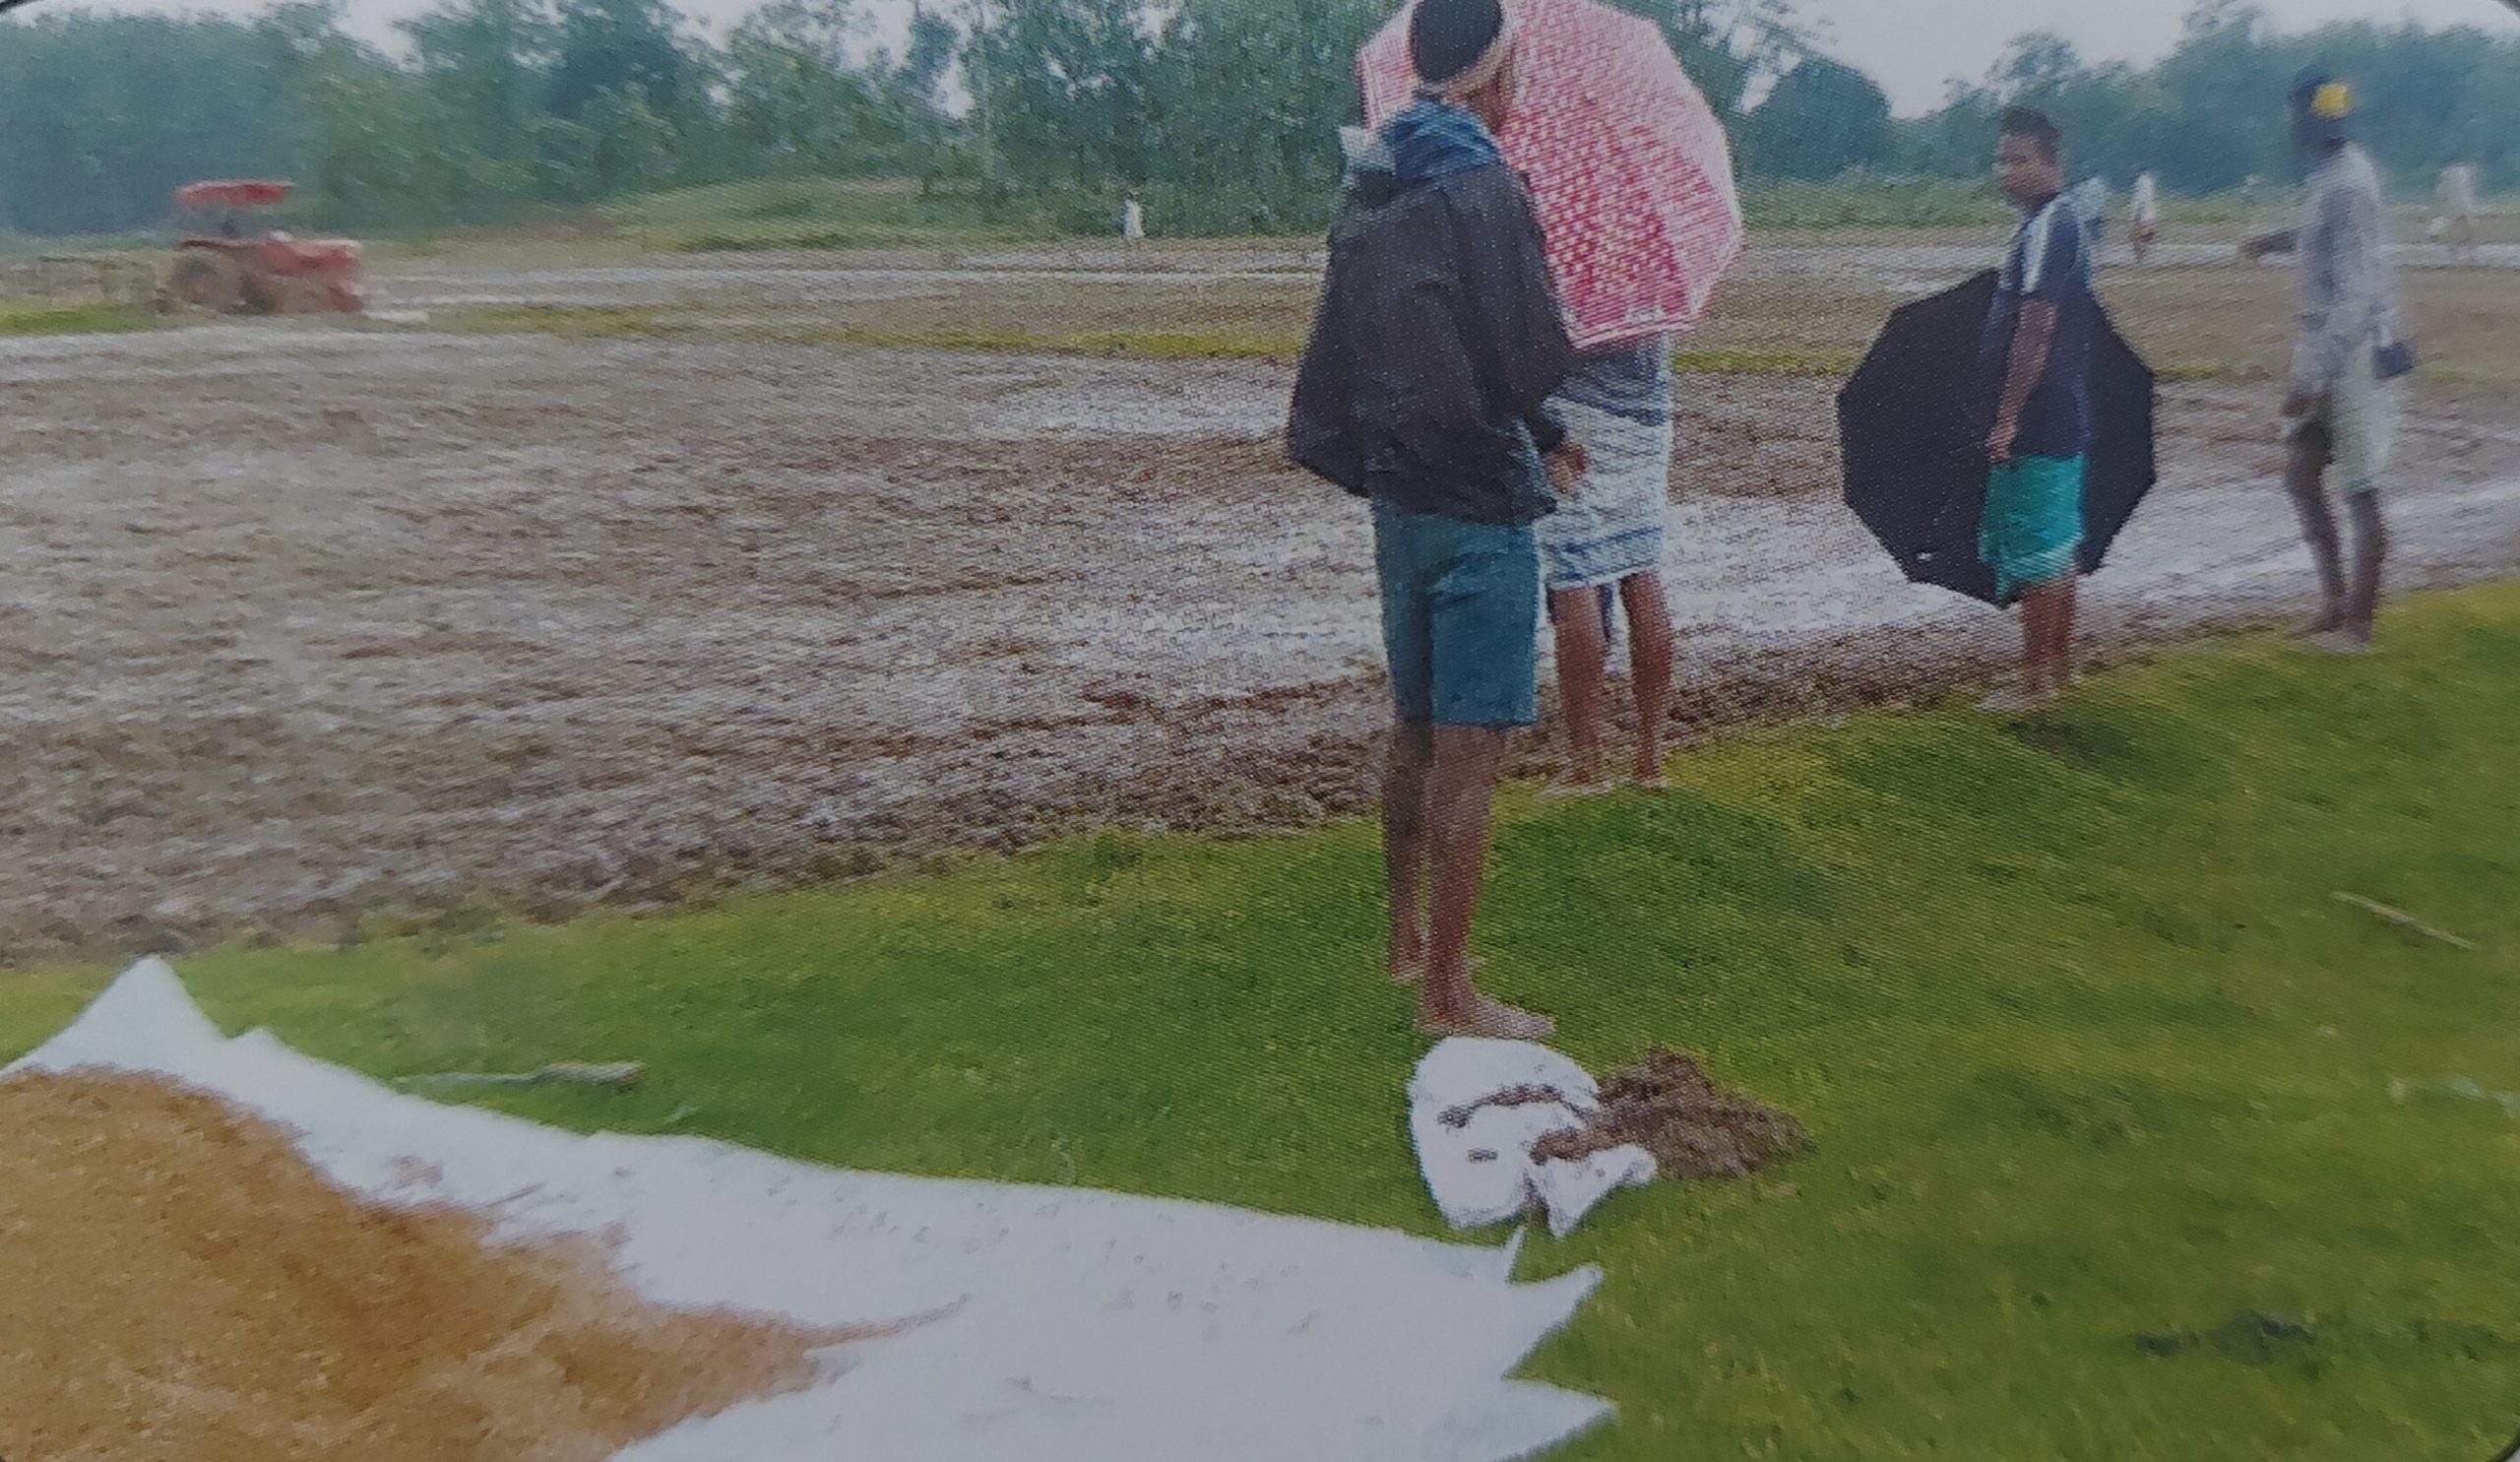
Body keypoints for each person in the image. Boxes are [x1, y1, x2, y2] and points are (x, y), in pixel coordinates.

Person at [1288, 0, 1583, 1039]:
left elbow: (1394, 345)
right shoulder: (1485, 187)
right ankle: (1449, 997)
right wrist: (1543, 409)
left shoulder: (1372, 179)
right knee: (1470, 754)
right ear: (1494, 74)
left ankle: (1405, 939)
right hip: (1480, 507)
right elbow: (1520, 354)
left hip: (1400, 501)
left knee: (1412, 732)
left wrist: (1535, 422)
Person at [2242, 73, 2407, 653]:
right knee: (2300, 475)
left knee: (2360, 488)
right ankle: (2334, 602)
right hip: (2330, 343)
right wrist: (2275, 241)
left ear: (2317, 119)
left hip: (2355, 350)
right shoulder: (2330, 178)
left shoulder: (2351, 184)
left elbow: (2358, 294)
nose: (2292, 127)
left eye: (2297, 116)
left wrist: (2312, 379)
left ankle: (2358, 627)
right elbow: (2327, 241)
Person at [1977, 107, 2100, 712]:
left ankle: (2034, 682)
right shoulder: (2052, 224)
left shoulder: (2051, 226)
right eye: (2001, 159)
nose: (2006, 172)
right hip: (2061, 406)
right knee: (2059, 542)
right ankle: (2057, 667)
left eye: (2018, 159)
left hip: (2041, 410)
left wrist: (2007, 417)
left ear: (2053, 163)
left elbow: (2037, 324)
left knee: (2036, 547)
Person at [2437, 162, 2481, 263]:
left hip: (2455, 206)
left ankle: (2453, 246)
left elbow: (2442, 193)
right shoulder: (2463, 177)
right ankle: (2469, 247)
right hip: (2463, 205)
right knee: (2469, 225)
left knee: (2454, 225)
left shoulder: (2448, 177)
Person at [2129, 171, 2161, 266]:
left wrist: (2137, 215)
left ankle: (2140, 256)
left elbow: (2140, 200)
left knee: (2136, 235)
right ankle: (2142, 254)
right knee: (2142, 235)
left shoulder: (2141, 184)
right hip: (2149, 213)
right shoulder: (2149, 183)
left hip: (2142, 213)